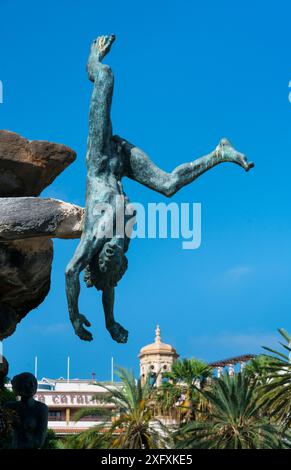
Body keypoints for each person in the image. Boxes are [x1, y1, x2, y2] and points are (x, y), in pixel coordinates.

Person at [66, 35, 254, 344]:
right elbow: (109, 287)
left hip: (100, 161)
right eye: (117, 258)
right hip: (121, 163)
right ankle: (220, 153)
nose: (114, 251)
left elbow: (70, 272)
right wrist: (110, 323)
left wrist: (74, 316)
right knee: (168, 186)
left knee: (105, 79)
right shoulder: (115, 250)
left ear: (99, 258)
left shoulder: (95, 236)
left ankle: (92, 62)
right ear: (120, 263)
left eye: (108, 257)